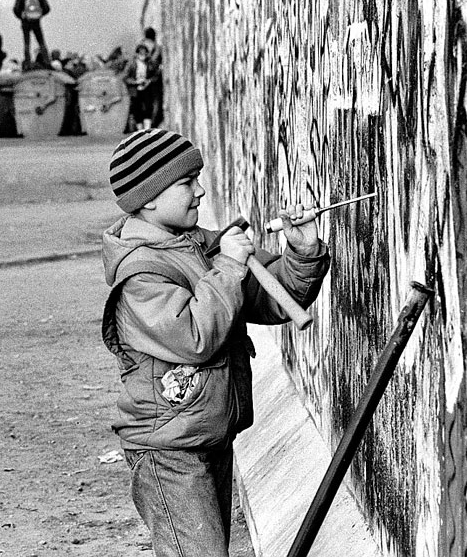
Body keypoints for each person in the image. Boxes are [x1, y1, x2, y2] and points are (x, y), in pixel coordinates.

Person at [100, 128, 330, 556]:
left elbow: (273, 300)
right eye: (186, 183)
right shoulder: (142, 273)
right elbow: (195, 337)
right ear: (149, 197)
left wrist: (302, 252)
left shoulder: (198, 246)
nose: (200, 191)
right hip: (167, 449)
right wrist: (226, 264)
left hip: (207, 434)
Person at [13, 0, 50, 70]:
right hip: (36, 22)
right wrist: (40, 15)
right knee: (41, 42)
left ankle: (28, 64)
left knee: (27, 43)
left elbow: (16, 9)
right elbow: (47, 8)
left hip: (25, 22)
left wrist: (22, 17)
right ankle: (47, 62)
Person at [124, 43, 160, 130]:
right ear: (137, 54)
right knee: (137, 109)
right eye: (141, 54)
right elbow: (125, 77)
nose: (143, 56)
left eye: (145, 54)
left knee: (148, 108)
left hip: (147, 89)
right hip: (135, 90)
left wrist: (149, 81)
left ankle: (147, 129)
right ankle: (140, 130)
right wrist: (135, 82)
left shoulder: (150, 63)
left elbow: (156, 75)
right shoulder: (131, 64)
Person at [141, 27, 164, 127]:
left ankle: (146, 124)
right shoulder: (157, 47)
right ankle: (153, 124)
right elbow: (156, 61)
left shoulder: (142, 46)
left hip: (143, 78)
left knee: (146, 103)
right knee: (156, 101)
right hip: (154, 79)